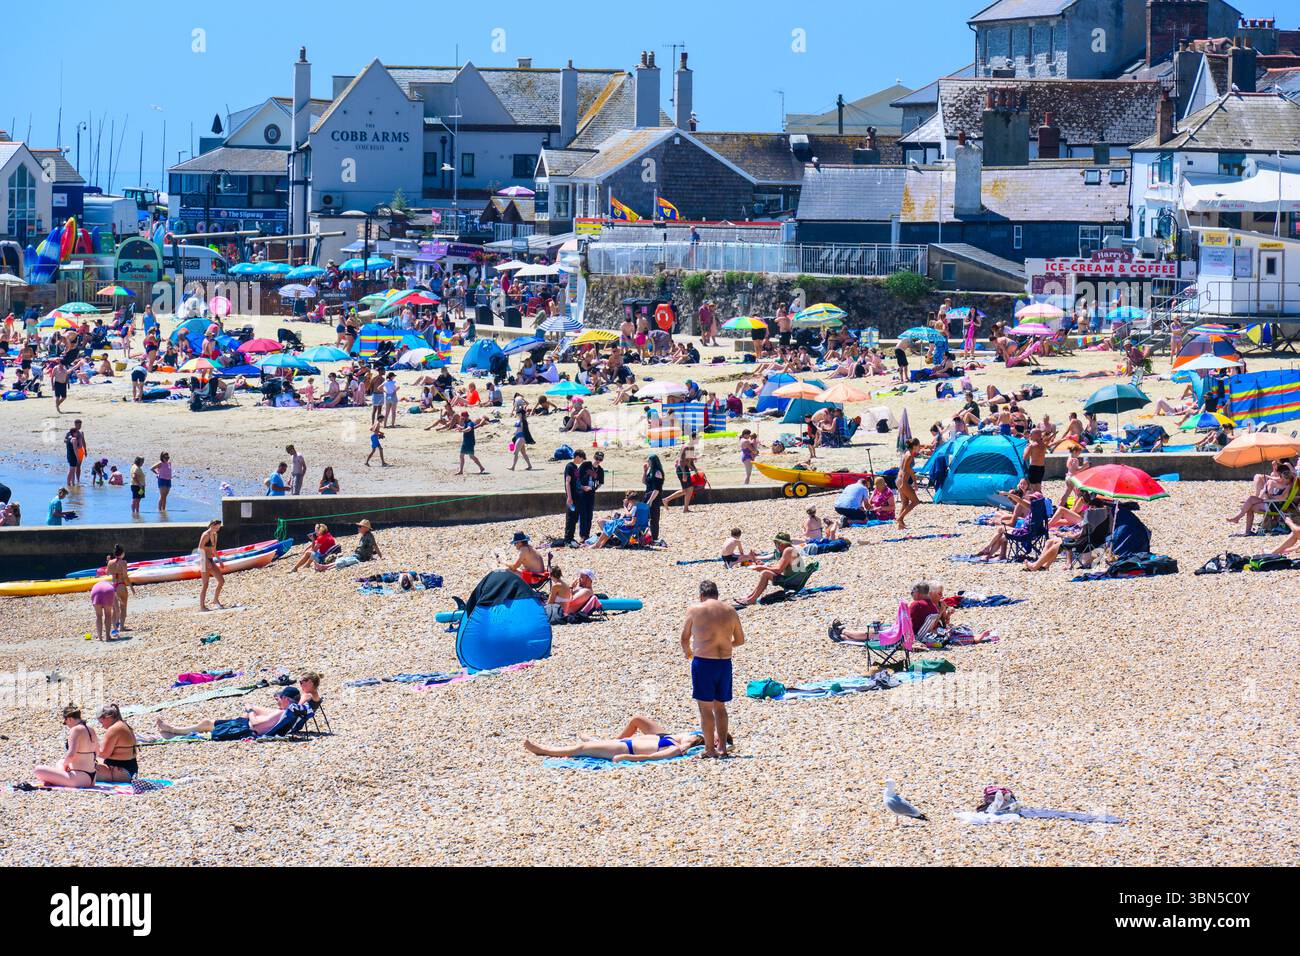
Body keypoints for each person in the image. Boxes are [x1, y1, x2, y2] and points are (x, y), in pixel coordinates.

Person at [681, 580, 745, 759]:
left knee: (705, 708)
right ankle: (723, 748)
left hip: (703, 663)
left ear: (701, 596)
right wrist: (725, 644)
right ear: (717, 595)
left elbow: (684, 638)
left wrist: (689, 654)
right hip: (724, 663)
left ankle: (709, 749)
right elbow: (740, 640)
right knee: (720, 707)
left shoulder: (695, 609)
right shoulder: (730, 610)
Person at [524, 715, 710, 763]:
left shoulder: (679, 749)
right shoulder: (690, 738)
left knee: (581, 747)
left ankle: (544, 750)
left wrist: (628, 758)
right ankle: (597, 741)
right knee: (637, 720)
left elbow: (653, 758)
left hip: (625, 749)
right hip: (658, 738)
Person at [154, 686, 306, 741]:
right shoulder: (283, 712)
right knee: (207, 722)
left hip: (243, 729)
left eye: (279, 699)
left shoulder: (280, 713)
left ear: (285, 698)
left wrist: (251, 712)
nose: (277, 701)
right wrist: (251, 708)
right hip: (243, 724)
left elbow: (257, 726)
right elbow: (258, 709)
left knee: (206, 727)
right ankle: (174, 729)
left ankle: (174, 731)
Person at [32, 706, 100, 789]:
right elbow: (97, 752)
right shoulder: (91, 729)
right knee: (60, 762)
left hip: (79, 779)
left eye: (66, 722)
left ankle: (55, 780)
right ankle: (56, 779)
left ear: (69, 718)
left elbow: (71, 755)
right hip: (92, 779)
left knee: (38, 770)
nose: (67, 725)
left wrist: (65, 768)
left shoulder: (75, 730)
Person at [734, 532, 804, 607]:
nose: (776, 546)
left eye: (776, 543)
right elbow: (779, 566)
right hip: (795, 579)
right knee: (766, 572)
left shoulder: (788, 551)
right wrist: (764, 565)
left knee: (765, 573)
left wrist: (763, 568)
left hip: (793, 582)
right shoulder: (790, 549)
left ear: (781, 543)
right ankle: (750, 597)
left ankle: (752, 599)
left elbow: (779, 570)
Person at [94, 704, 140, 782]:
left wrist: (90, 746)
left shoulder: (113, 729)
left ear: (107, 717)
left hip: (120, 773)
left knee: (81, 769)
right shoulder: (124, 725)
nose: (102, 726)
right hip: (131, 770)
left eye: (101, 722)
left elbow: (104, 754)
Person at [317, 519, 382, 571]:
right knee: (342, 559)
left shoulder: (369, 536)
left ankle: (324, 567)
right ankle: (324, 567)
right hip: (357, 555)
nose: (358, 528)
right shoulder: (364, 536)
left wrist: (380, 556)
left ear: (365, 528)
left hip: (361, 558)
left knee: (344, 561)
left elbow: (375, 545)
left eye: (360, 526)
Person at [664, 437, 701, 512]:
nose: (698, 440)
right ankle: (685, 509)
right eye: (697, 439)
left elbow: (689, 461)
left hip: (685, 469)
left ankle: (666, 500)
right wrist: (684, 473)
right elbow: (681, 461)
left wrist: (695, 469)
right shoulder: (686, 447)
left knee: (686, 490)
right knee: (689, 489)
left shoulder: (691, 447)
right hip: (681, 469)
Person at [105, 544, 134, 636]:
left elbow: (107, 573)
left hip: (113, 586)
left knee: (115, 608)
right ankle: (121, 626)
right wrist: (131, 587)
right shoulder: (123, 562)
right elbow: (125, 577)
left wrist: (108, 561)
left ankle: (115, 627)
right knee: (123, 606)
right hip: (121, 585)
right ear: (122, 553)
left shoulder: (110, 562)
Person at [198, 519, 225, 611]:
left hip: (211, 560)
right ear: (212, 525)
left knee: (221, 581)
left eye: (218, 528)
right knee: (205, 584)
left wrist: (220, 560)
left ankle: (215, 600)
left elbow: (214, 549)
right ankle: (202, 607)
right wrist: (206, 561)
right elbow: (200, 548)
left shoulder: (215, 534)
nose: (217, 529)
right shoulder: (206, 534)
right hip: (204, 560)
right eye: (216, 527)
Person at [895, 438, 921, 529]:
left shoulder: (907, 453)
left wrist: (914, 481)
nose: (919, 447)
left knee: (905, 503)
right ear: (914, 446)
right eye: (918, 446)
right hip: (902, 481)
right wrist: (904, 483)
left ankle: (900, 525)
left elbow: (908, 469)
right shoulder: (910, 455)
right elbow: (906, 469)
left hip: (898, 479)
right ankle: (900, 518)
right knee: (915, 501)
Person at [454, 411, 489, 475]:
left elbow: (469, 429)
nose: (461, 418)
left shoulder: (470, 423)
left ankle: (481, 467)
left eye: (462, 417)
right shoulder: (466, 422)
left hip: (469, 442)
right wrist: (459, 428)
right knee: (462, 455)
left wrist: (461, 430)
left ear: (465, 417)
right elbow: (466, 428)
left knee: (471, 456)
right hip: (466, 441)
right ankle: (461, 470)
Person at [643, 453, 665, 542]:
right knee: (645, 517)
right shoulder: (650, 471)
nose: (647, 461)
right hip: (647, 495)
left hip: (654, 498)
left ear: (653, 461)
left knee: (654, 518)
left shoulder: (658, 472)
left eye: (648, 460)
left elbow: (657, 489)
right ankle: (646, 536)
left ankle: (654, 537)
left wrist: (650, 501)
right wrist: (645, 471)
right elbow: (644, 482)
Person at [509, 405, 535, 471]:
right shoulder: (518, 421)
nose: (517, 414)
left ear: (521, 414)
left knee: (515, 452)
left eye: (518, 413)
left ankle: (513, 467)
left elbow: (525, 430)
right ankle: (529, 466)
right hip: (518, 437)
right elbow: (517, 429)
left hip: (521, 437)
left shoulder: (523, 421)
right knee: (523, 453)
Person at [1024, 428, 1047, 492]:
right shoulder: (1044, 444)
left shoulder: (1032, 446)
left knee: (1033, 487)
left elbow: (1025, 457)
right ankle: (1040, 499)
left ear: (1036, 435)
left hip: (1034, 467)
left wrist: (1026, 448)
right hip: (1041, 467)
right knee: (1038, 486)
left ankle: (1035, 500)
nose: (1030, 435)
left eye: (1031, 434)